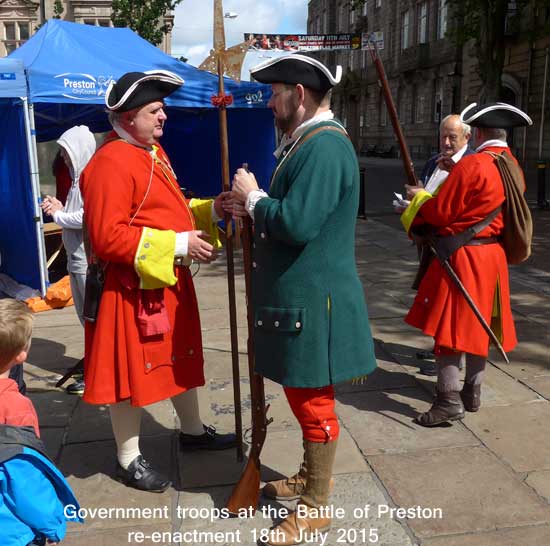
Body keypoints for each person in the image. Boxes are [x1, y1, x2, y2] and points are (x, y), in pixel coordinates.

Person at [231, 54, 377, 545]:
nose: (270, 101)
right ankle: (312, 478)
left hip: (315, 302)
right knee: (302, 395)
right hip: (301, 298)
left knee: (313, 402)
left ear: (299, 92)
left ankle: (315, 506)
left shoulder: (324, 147)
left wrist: (254, 198)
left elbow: (297, 222)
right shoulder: (307, 144)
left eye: (275, 93)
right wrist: (249, 209)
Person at [79, 69, 236, 493]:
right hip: (130, 290)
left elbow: (170, 210)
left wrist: (210, 211)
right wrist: (179, 245)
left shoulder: (151, 151)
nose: (164, 116)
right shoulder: (110, 162)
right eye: (155, 109)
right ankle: (128, 457)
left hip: (163, 282)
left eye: (161, 108)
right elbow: (107, 237)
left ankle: (191, 430)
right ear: (129, 117)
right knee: (128, 375)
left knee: (180, 356)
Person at [403, 102, 532, 427]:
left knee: (451, 330)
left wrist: (419, 198)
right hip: (493, 257)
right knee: (479, 327)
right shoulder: (511, 163)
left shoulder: (474, 165)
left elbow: (440, 212)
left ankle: (447, 401)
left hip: (465, 257)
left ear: (480, 133)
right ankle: (472, 393)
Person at [0, 298, 82, 545]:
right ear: (22, 354)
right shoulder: (15, 408)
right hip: (12, 530)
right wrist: (52, 523)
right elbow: (24, 479)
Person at [399, 114, 473, 374]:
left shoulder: (470, 163)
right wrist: (413, 202)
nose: (446, 142)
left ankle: (450, 361)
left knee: (451, 306)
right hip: (429, 240)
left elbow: (458, 207)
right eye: (443, 136)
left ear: (467, 137)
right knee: (432, 301)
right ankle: (438, 349)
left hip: (453, 245)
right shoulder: (433, 161)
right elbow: (424, 189)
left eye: (452, 137)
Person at [41, 125, 97, 396]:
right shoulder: (78, 181)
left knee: (93, 321)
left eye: (66, 152)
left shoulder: (90, 179)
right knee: (87, 322)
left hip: (86, 262)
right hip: (77, 262)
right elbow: (75, 213)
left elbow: (86, 217)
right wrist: (60, 208)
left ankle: (96, 373)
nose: (62, 157)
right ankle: (95, 368)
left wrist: (59, 216)